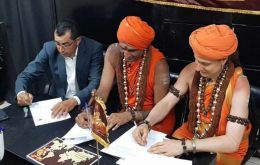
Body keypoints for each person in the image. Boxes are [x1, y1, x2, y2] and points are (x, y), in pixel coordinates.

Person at [132, 24, 251, 165]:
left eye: (205, 63)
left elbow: (232, 142)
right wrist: (147, 123)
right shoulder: (191, 70)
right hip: (190, 134)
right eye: (196, 60)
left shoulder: (240, 85)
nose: (198, 68)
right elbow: (167, 102)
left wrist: (183, 146)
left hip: (224, 148)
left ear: (223, 60)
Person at [76, 16, 175, 134]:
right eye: (123, 48)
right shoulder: (113, 52)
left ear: (144, 48)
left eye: (132, 50)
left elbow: (161, 110)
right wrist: (89, 110)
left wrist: (130, 115)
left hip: (154, 122)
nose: (126, 55)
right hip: (125, 116)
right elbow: (103, 91)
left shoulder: (159, 65)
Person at [15, 19, 104, 118]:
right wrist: (21, 93)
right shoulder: (49, 48)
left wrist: (74, 100)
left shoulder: (94, 49)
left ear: (77, 41)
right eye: (57, 43)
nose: (61, 49)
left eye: (65, 44)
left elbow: (95, 82)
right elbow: (26, 75)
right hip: (59, 100)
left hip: (84, 103)